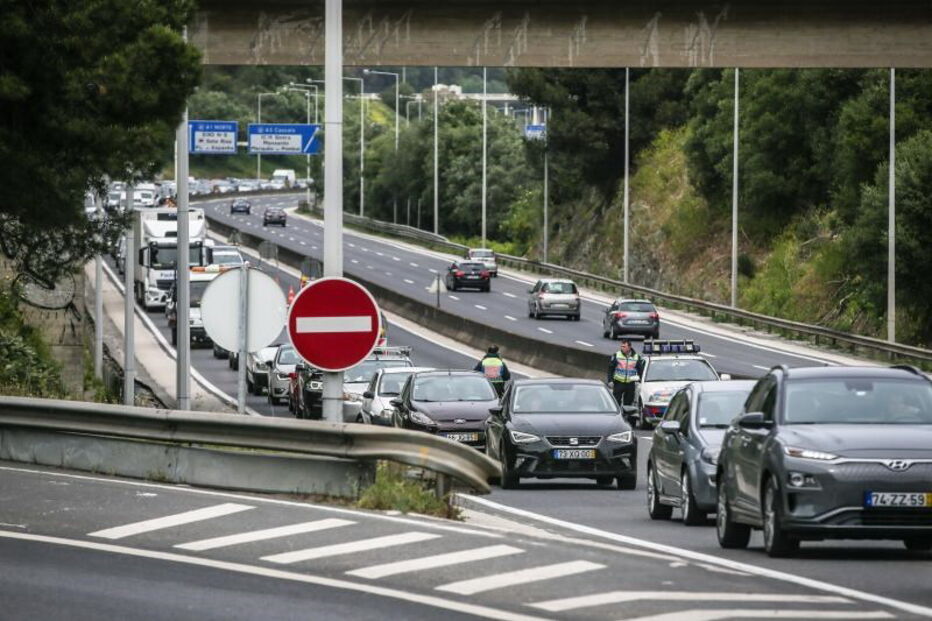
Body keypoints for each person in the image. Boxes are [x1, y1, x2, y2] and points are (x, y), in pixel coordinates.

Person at [607, 339, 643, 407]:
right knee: (616, 402)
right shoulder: (617, 355)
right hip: (618, 383)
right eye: (621, 346)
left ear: (629, 347)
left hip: (630, 384)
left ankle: (626, 416)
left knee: (628, 404)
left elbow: (640, 370)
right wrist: (610, 380)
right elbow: (610, 369)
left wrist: (639, 380)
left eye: (624, 346)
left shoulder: (636, 357)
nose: (622, 348)